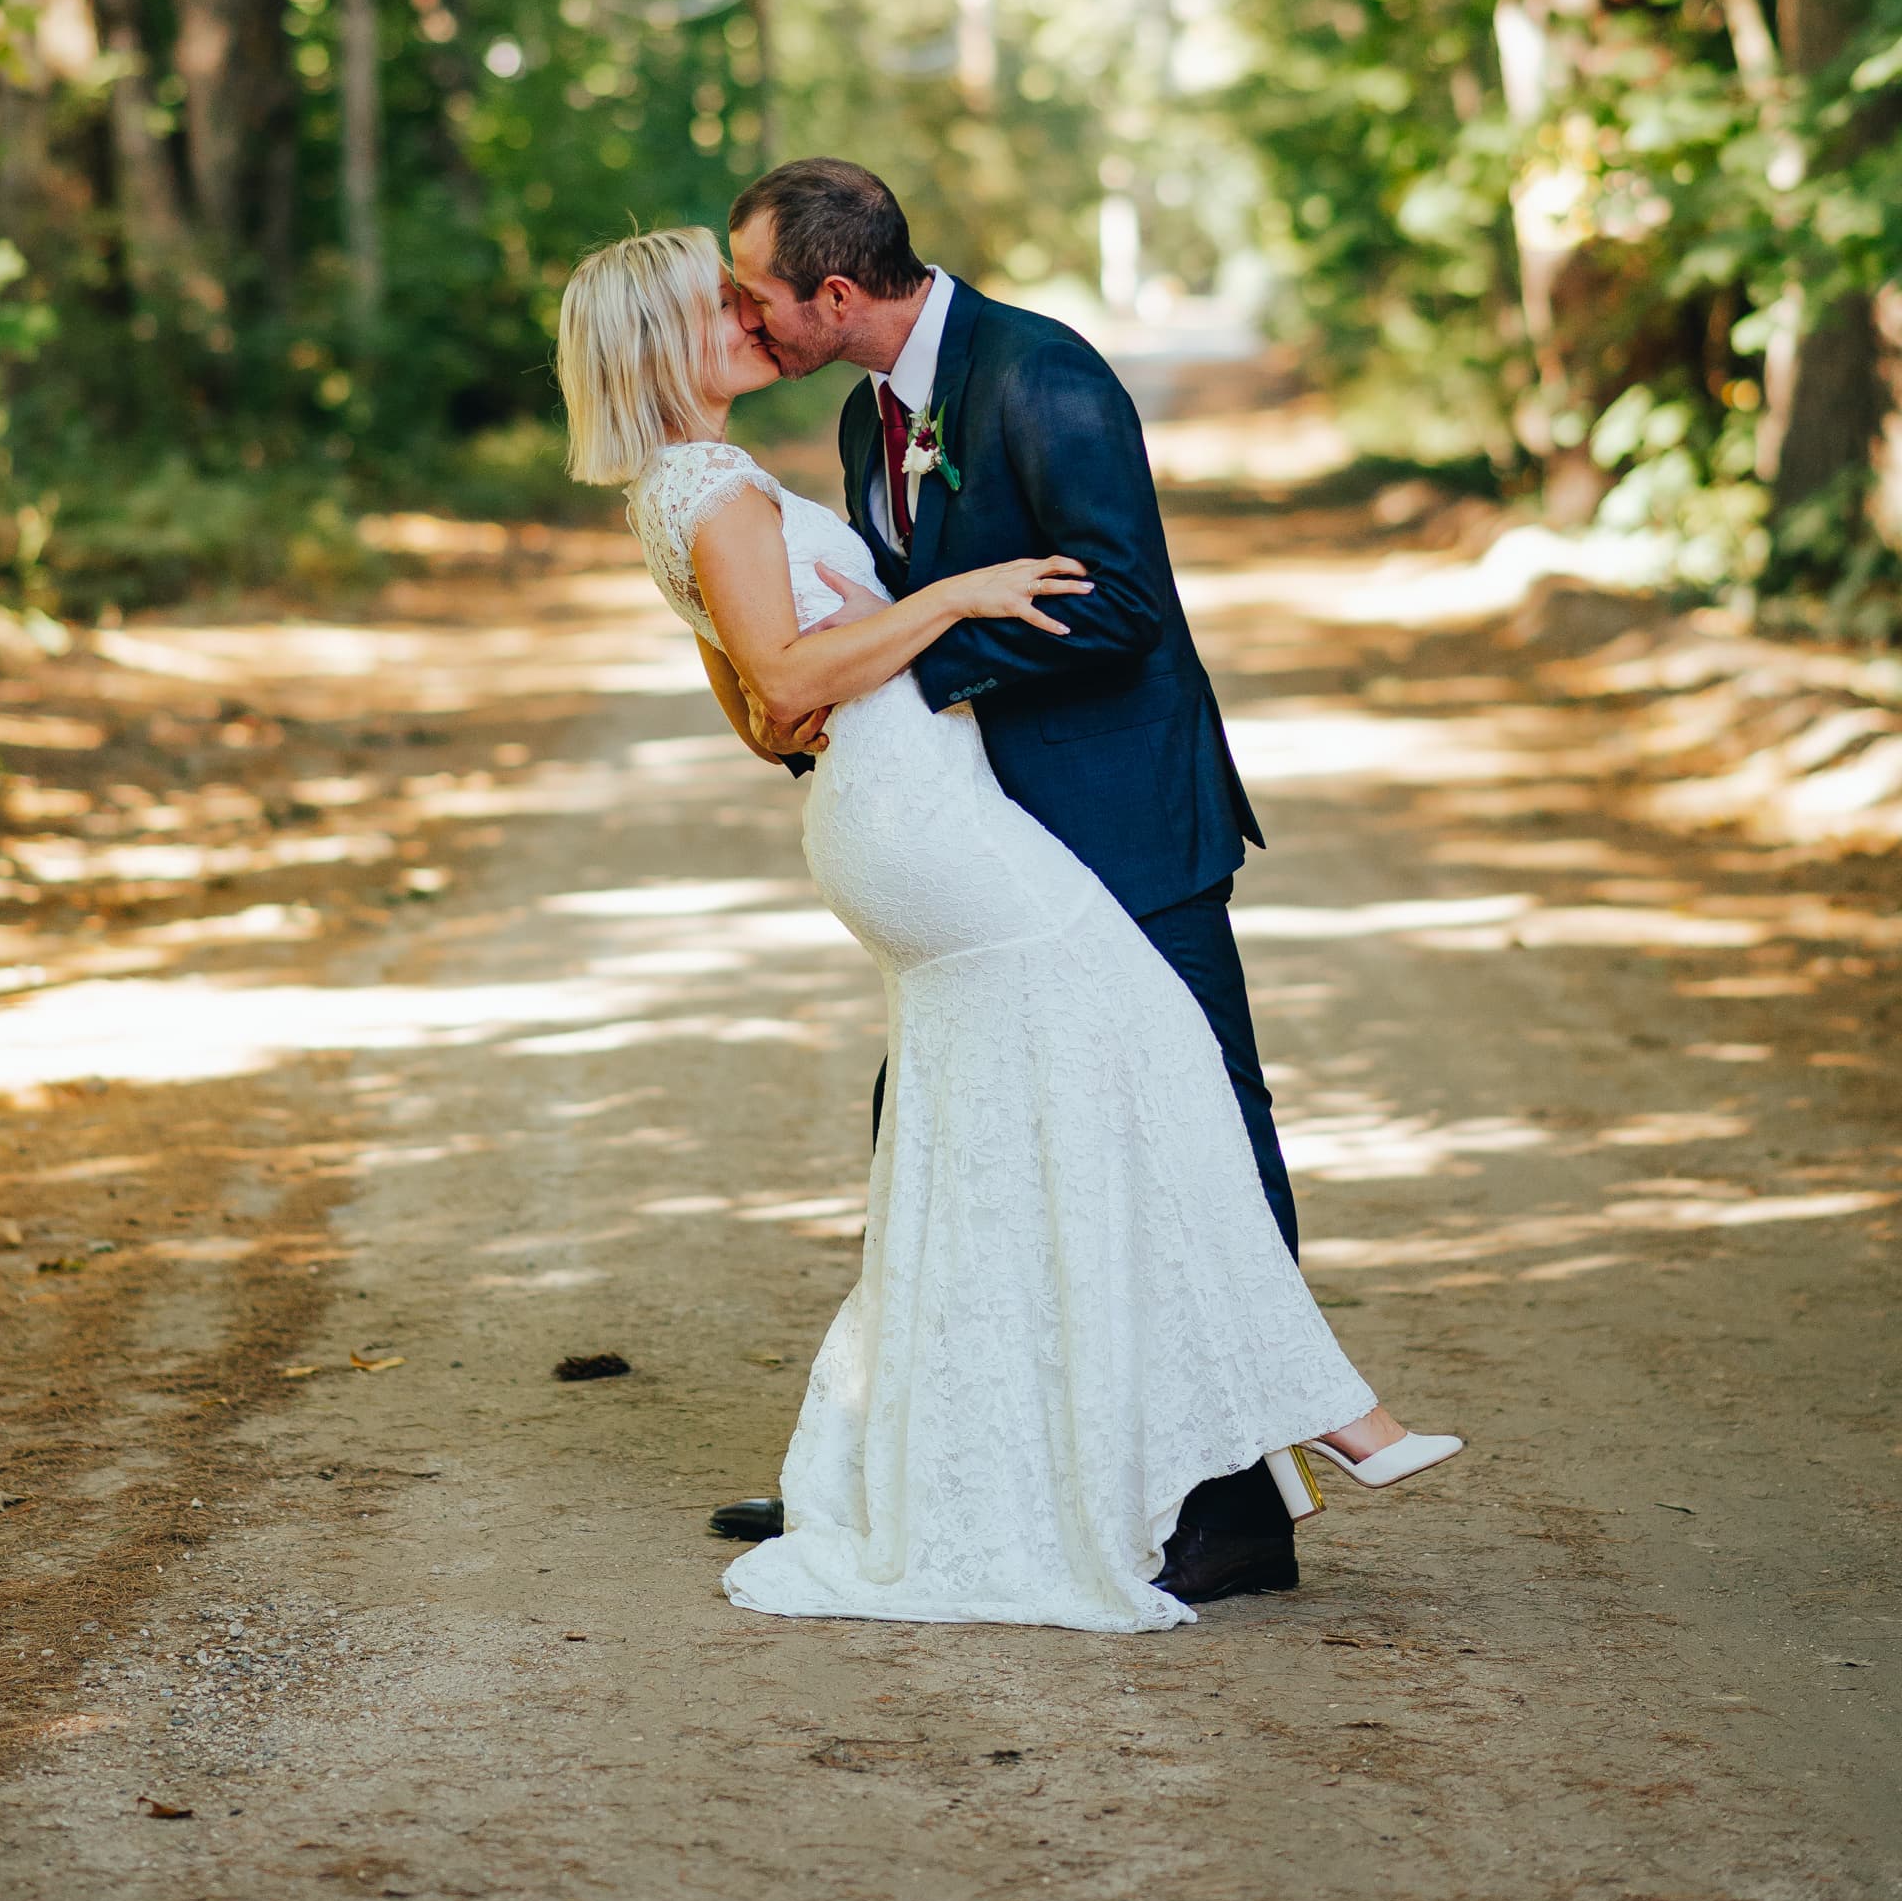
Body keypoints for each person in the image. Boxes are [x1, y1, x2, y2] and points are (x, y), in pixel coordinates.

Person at [556, 217, 1460, 1633]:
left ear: (834, 290)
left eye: (755, 293)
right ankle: (962, 1464)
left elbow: (1123, 607)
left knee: (1093, 1105)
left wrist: (908, 654)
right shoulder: (789, 453)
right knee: (1048, 1106)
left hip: (1108, 814)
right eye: (717, 302)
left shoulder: (1041, 375)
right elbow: (777, 685)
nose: (749, 317)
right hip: (945, 820)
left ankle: (1214, 1504)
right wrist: (939, 618)